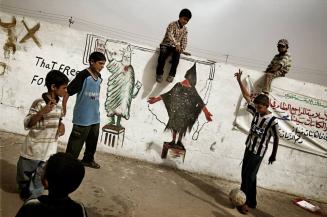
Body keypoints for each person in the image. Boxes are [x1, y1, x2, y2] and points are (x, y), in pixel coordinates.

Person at [16, 70, 68, 200]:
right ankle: (24, 189)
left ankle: (34, 198)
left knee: (40, 177)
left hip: (48, 150)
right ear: (53, 87)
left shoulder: (59, 106)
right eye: (64, 88)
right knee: (24, 175)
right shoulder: (39, 103)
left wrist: (61, 125)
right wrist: (41, 112)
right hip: (33, 149)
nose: (66, 91)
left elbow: (59, 119)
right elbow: (28, 123)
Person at [235, 69, 279, 214]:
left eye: (260, 107)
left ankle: (243, 202)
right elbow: (247, 96)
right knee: (248, 175)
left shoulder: (272, 121)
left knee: (248, 176)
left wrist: (273, 154)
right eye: (257, 107)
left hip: (258, 153)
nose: (258, 109)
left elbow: (276, 138)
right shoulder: (256, 111)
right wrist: (239, 81)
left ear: (267, 107)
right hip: (249, 147)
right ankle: (252, 201)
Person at [149, 64, 212, 149]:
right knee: (174, 126)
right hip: (176, 112)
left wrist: (206, 112)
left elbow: (199, 101)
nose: (186, 81)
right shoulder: (178, 85)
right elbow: (168, 94)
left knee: (182, 128)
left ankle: (179, 142)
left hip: (186, 114)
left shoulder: (192, 90)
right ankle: (173, 141)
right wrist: (156, 99)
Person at [63, 51, 106, 169]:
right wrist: (64, 107)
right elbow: (68, 92)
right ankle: (67, 165)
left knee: (92, 142)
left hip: (94, 117)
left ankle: (88, 160)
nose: (102, 67)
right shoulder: (83, 76)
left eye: (103, 64)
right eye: (100, 63)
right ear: (92, 62)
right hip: (82, 118)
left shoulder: (99, 77)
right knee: (75, 144)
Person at [15, 152, 87, 217]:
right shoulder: (79, 208)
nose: (41, 171)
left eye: (44, 169)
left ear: (46, 183)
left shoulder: (31, 205)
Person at [155, 8, 192, 83]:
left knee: (177, 57)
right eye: (185, 19)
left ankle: (172, 75)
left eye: (187, 20)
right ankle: (159, 74)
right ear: (180, 17)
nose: (185, 21)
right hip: (166, 44)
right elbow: (170, 35)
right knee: (162, 55)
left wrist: (182, 48)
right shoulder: (172, 24)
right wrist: (177, 44)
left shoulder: (185, 30)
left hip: (175, 48)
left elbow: (184, 40)